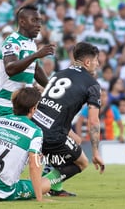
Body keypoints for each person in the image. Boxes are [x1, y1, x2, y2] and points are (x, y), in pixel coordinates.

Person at [32, 42, 105, 196]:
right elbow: (93, 121)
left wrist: (70, 134)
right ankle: (37, 187)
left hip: (34, 127)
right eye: (96, 60)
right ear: (87, 62)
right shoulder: (93, 85)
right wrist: (96, 152)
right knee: (82, 162)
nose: (97, 64)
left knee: (74, 142)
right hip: (52, 134)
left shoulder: (59, 74)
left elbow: (53, 107)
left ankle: (55, 189)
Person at [0, 4, 56, 124]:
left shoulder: (31, 43)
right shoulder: (12, 42)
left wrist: (51, 89)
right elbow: (10, 69)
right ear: (22, 22)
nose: (39, 25)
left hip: (22, 106)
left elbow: (36, 69)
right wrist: (36, 55)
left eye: (40, 21)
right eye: (34, 20)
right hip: (4, 105)